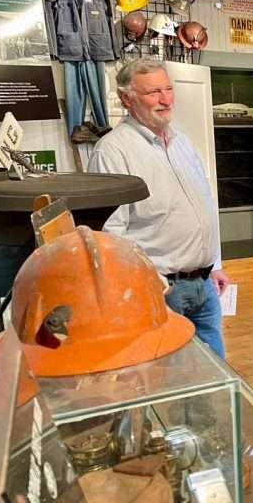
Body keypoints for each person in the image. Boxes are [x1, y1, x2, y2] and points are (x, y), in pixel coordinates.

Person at [88, 58, 230, 357]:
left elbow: (202, 207)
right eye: (153, 92)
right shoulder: (113, 151)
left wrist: (215, 264)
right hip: (161, 291)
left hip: (204, 286)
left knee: (215, 380)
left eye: (168, 89)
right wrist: (148, 286)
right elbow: (110, 236)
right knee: (170, 379)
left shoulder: (182, 143)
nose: (166, 99)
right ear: (127, 99)